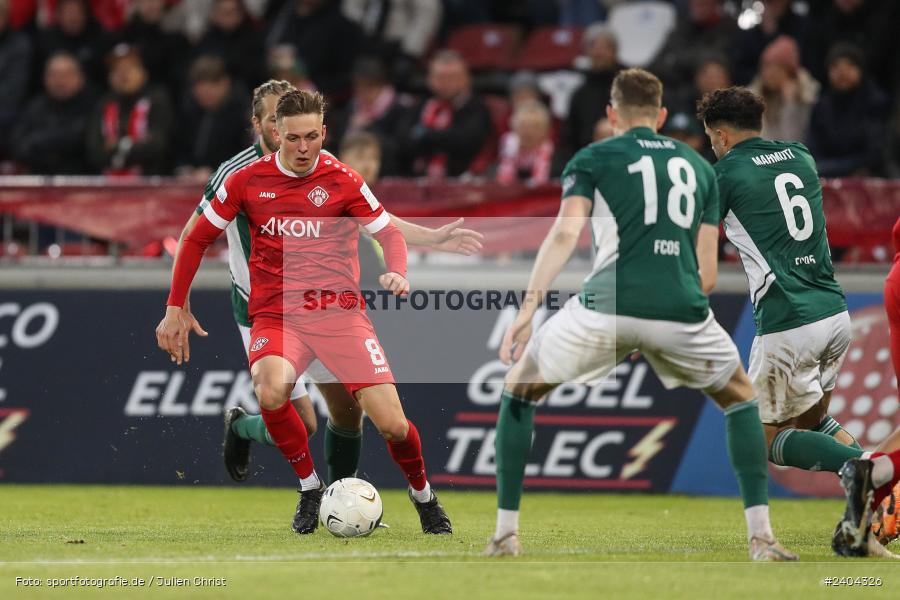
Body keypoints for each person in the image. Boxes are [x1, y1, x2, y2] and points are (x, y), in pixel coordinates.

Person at [484, 68, 796, 562]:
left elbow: (565, 234)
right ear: (663, 116)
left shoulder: (592, 158)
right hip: (681, 308)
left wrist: (528, 309)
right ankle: (762, 539)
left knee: (519, 390)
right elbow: (708, 274)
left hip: (605, 307)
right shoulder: (698, 167)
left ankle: (505, 536)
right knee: (740, 399)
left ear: (611, 115)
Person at [163, 84, 478, 526]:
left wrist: (400, 270)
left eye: (311, 137)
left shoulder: (342, 178)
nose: (302, 147)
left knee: (383, 422)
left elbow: (384, 228)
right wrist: (175, 304)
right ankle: (312, 490)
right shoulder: (242, 177)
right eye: (293, 137)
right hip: (272, 312)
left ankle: (423, 498)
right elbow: (196, 235)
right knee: (275, 393)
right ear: (271, 129)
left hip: (338, 314)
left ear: (324, 132)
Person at [697, 86, 900, 558]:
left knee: (764, 437)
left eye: (711, 139)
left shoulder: (723, 174)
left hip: (787, 320)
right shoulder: (801, 156)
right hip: (834, 313)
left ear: (722, 135)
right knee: (812, 420)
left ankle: (870, 470)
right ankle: (864, 529)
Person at [85, 43, 173, 175]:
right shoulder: (103, 104)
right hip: (108, 185)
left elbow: (157, 148)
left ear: (143, 73)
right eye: (116, 69)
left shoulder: (157, 100)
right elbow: (95, 152)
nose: (123, 74)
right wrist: (135, 146)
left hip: (150, 185)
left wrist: (119, 146)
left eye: (129, 68)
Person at [806, 43, 889, 177]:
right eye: (835, 66)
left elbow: (874, 155)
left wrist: (828, 168)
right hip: (825, 177)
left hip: (866, 178)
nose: (842, 72)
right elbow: (812, 149)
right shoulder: (821, 106)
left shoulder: (875, 102)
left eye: (849, 65)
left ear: (861, 70)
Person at [406, 49, 491, 178]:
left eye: (451, 78)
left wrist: (426, 135)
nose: (445, 83)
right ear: (429, 79)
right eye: (439, 77)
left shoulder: (477, 108)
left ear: (466, 79)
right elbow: (403, 139)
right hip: (417, 179)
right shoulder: (423, 105)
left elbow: (466, 142)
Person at [11, 51, 94, 174]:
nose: (60, 81)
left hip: (81, 182)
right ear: (45, 79)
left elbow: (86, 146)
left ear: (80, 78)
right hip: (39, 180)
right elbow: (17, 146)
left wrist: (39, 142)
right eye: (54, 75)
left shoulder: (92, 107)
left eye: (66, 74)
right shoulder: (35, 107)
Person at [175, 55, 251, 182]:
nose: (205, 90)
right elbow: (178, 150)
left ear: (226, 83)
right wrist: (183, 168)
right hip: (189, 185)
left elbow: (246, 157)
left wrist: (216, 172)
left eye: (213, 83)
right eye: (200, 84)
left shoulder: (241, 116)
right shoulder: (189, 113)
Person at [748, 35, 819, 143]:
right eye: (766, 66)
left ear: (789, 72)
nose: (770, 73)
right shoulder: (752, 98)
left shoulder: (806, 96)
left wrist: (790, 104)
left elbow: (794, 141)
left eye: (777, 67)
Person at [494, 101, 555, 187]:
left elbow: (540, 181)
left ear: (545, 131)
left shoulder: (546, 147)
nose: (528, 131)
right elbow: (504, 179)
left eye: (535, 127)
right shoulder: (509, 142)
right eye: (523, 125)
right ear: (514, 127)